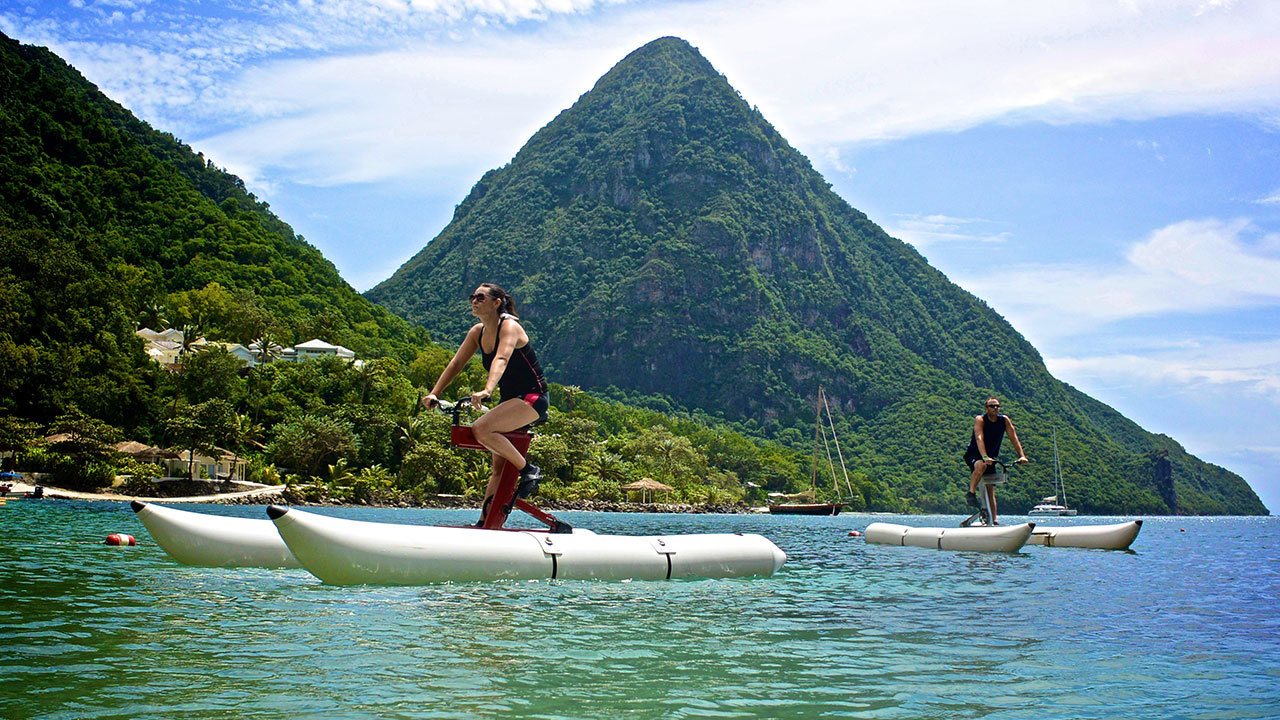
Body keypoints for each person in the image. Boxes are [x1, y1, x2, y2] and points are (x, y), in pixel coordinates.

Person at [423, 283, 549, 525]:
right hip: (510, 401)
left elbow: (501, 358)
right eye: (472, 297)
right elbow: (455, 364)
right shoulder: (477, 332)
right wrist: (434, 393)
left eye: (480, 297)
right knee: (499, 469)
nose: (474, 301)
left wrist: (487, 389)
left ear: (496, 302)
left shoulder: (509, 326)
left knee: (481, 429)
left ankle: (528, 470)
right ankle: (486, 524)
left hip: (532, 398)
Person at [963, 396, 1028, 513]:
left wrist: (1021, 455)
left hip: (991, 459)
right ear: (986, 408)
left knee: (990, 489)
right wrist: (984, 456)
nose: (995, 408)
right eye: (992, 406)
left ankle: (994, 520)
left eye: (997, 406)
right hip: (975, 454)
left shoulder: (1004, 420)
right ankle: (971, 493)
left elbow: (1014, 438)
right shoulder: (980, 419)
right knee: (981, 466)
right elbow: (979, 438)